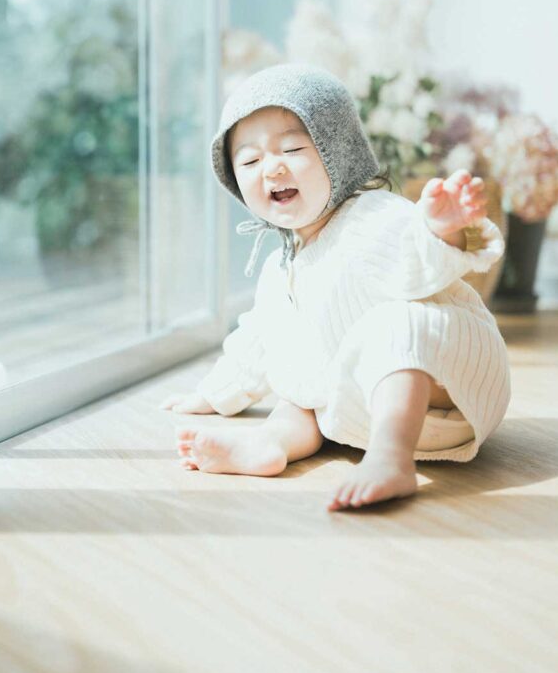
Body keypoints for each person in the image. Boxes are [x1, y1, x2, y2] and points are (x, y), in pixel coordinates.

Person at [160, 63, 510, 510]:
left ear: (337, 152)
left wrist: (441, 229)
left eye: (291, 148)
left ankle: (390, 460)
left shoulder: (370, 216)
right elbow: (258, 340)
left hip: (449, 391)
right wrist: (212, 395)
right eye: (249, 160)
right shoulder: (280, 267)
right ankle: (271, 444)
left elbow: (419, 256)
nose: (272, 168)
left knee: (394, 323)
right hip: (360, 416)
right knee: (296, 383)